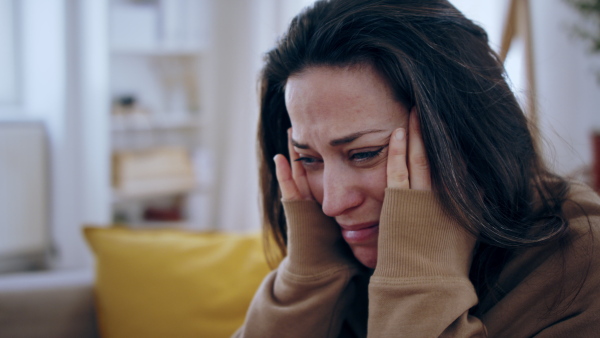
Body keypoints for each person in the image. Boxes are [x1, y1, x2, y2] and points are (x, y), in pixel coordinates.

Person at [234, 0, 600, 336]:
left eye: (364, 154)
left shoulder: (583, 264)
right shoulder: (340, 255)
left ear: (467, 137)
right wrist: (307, 280)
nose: (332, 203)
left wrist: (417, 281)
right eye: (309, 159)